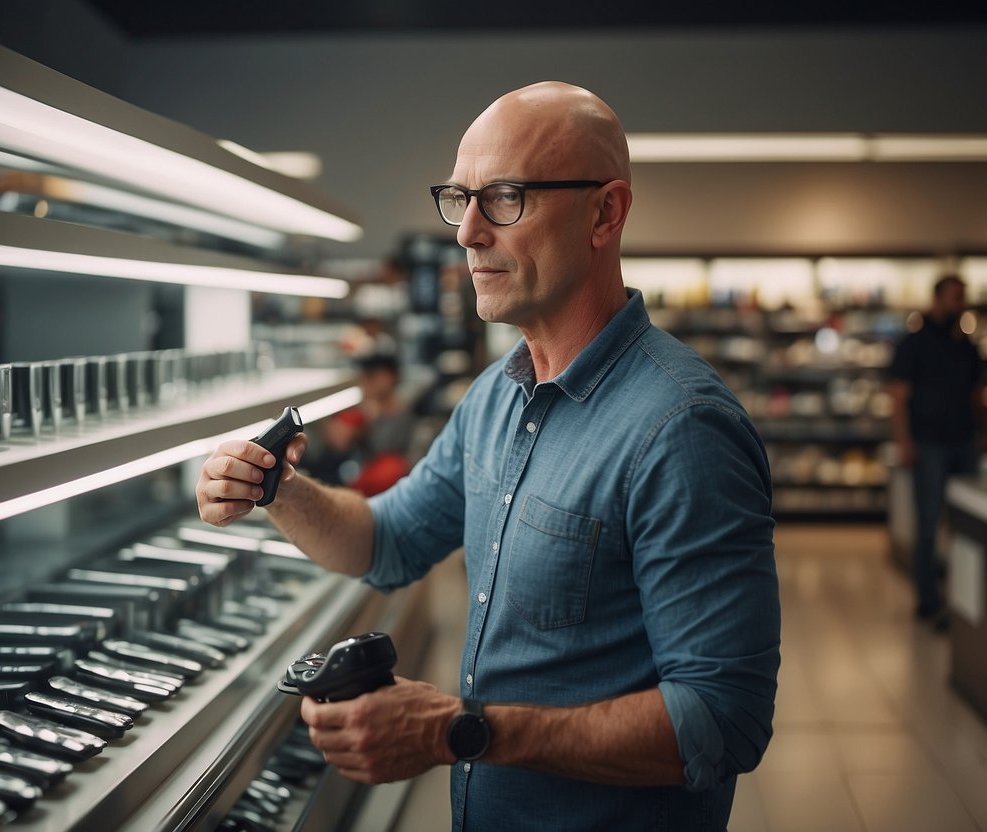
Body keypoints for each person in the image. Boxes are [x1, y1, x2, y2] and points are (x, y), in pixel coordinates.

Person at [197, 81, 780, 831]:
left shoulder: (681, 428)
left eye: (505, 197)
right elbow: (386, 541)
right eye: (460, 198)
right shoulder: (494, 397)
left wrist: (459, 730)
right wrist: (276, 485)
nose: (467, 232)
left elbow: (721, 719)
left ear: (605, 212)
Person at [889, 274, 987, 629]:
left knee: (969, 524)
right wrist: (904, 440)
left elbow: (978, 393)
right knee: (929, 523)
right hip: (929, 443)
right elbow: (898, 396)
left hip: (965, 441)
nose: (960, 303)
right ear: (937, 299)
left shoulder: (966, 345)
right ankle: (928, 600)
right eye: (955, 297)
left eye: (963, 297)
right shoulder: (914, 343)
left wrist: (985, 431)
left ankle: (965, 599)